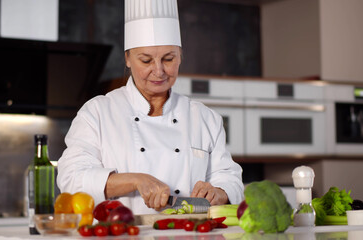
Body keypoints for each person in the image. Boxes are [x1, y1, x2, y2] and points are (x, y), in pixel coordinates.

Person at [57, 0, 244, 215]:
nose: (159, 71)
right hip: (122, 235)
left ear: (181, 56)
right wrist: (136, 180)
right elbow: (71, 179)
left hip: (188, 234)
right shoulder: (97, 113)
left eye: (168, 59)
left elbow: (230, 179)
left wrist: (219, 192)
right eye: (146, 60)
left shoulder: (204, 117)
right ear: (127, 59)